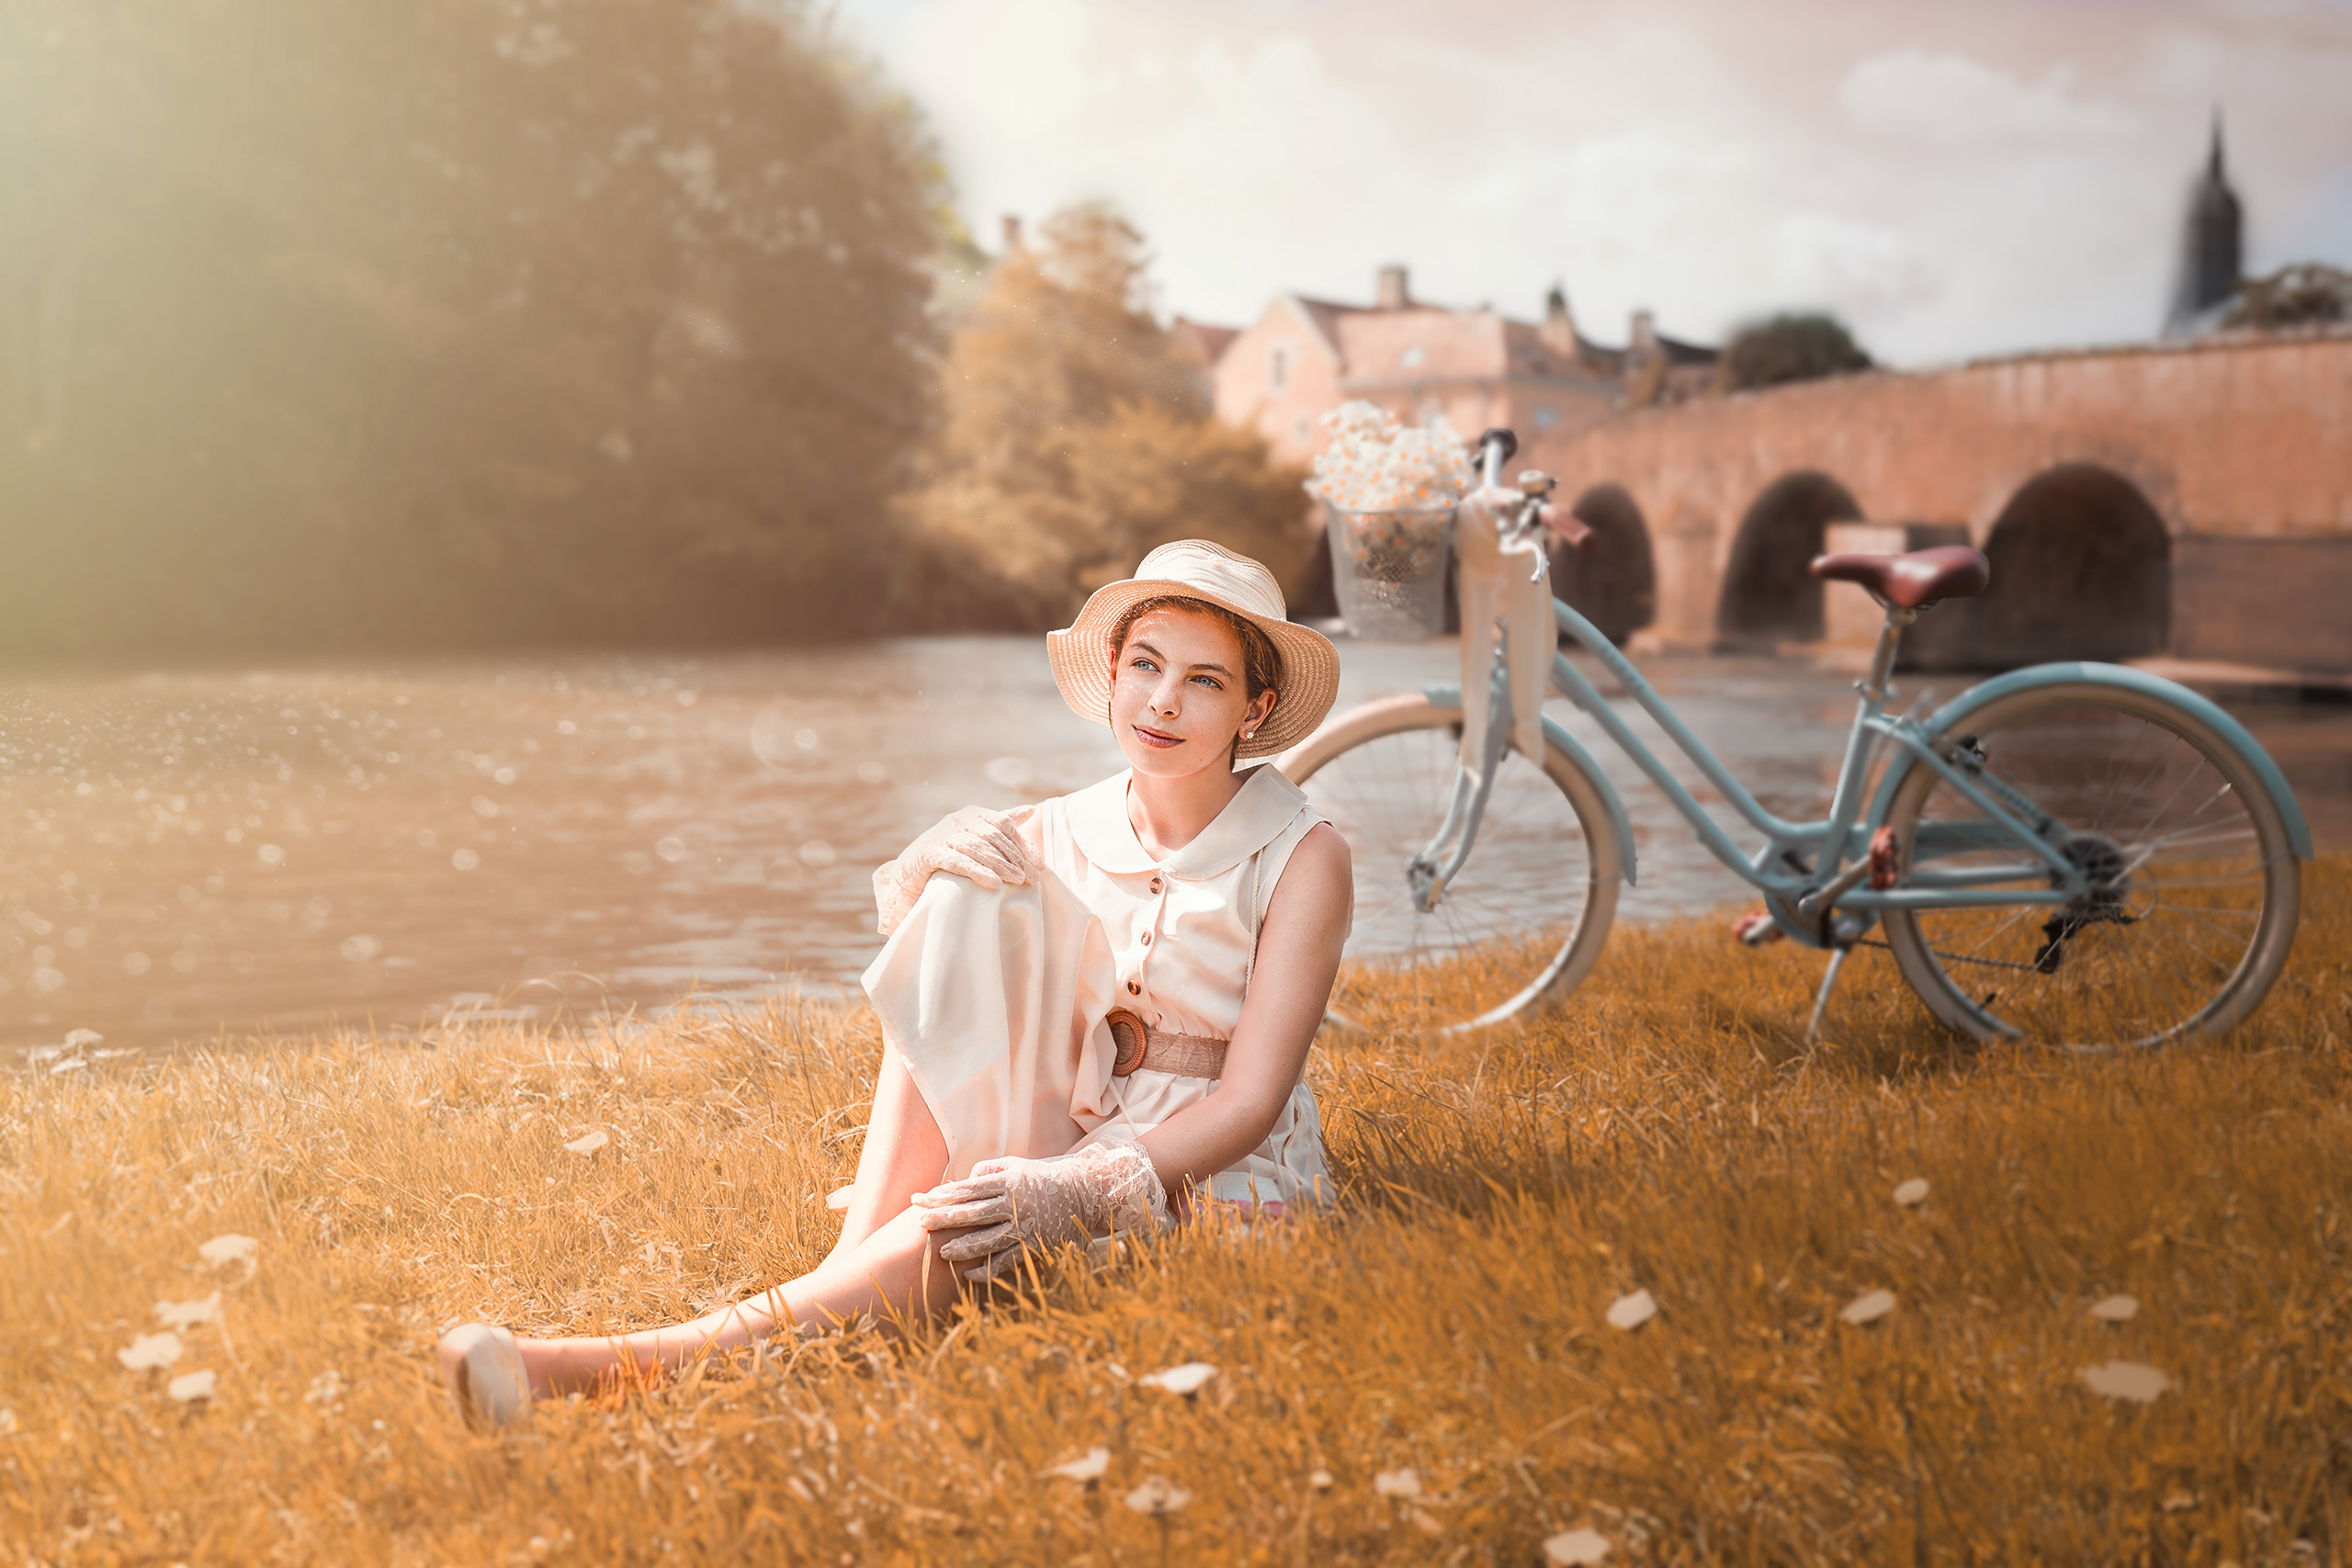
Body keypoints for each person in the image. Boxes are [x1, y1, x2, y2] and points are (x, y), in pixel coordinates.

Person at [438, 540, 1352, 1427]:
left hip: (1204, 1157)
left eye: (1204, 680)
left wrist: (1080, 1188)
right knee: (966, 882)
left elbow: (1253, 1096)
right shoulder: (1057, 826)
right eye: (1146, 664)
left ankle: (598, 1371)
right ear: (1112, 669)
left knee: (966, 1222)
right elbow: (939, 953)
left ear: (1253, 708)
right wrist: (921, 866)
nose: (1161, 700)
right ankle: (849, 1269)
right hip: (1077, 1106)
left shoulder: (1302, 854)